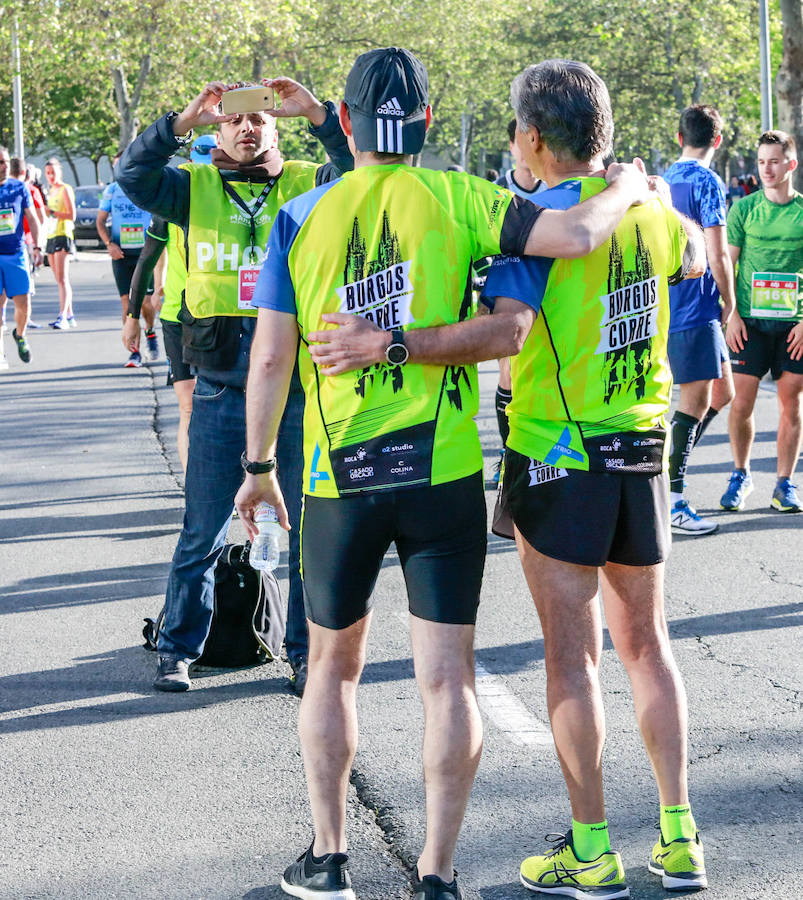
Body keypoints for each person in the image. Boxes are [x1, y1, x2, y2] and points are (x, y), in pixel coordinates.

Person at [235, 47, 656, 900]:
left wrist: (255, 468)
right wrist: (631, 185)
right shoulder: (463, 196)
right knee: (448, 677)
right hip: (445, 474)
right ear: (426, 124)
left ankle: (328, 858)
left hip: (336, 474)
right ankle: (436, 873)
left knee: (330, 668)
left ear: (344, 123)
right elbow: (575, 232)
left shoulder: (300, 214)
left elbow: (272, 357)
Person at [117, 76, 354, 696]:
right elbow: (132, 178)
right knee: (201, 529)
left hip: (299, 389)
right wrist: (178, 124)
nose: (248, 129)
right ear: (217, 131)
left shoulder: (308, 183)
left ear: (275, 129)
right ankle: (177, 649)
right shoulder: (188, 187)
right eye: (234, 122)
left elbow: (364, 170)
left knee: (306, 530)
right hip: (222, 387)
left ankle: (304, 654)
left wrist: (317, 112)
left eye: (261, 122)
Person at [662, 105, 736, 534]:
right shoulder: (708, 181)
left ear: (679, 137)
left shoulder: (664, 179)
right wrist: (732, 303)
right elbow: (717, 251)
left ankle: (667, 466)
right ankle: (671, 498)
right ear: (718, 141)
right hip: (697, 305)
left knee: (721, 394)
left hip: (671, 302)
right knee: (693, 402)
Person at [721, 130, 803, 513]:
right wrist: (732, 314)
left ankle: (784, 484)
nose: (766, 169)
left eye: (774, 161)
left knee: (791, 404)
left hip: (793, 326)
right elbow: (728, 264)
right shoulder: (744, 210)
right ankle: (741, 474)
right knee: (742, 403)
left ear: (791, 163)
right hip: (749, 322)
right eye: (761, 162)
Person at [127, 135, 216, 472]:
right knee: (189, 406)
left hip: (225, 315)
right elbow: (147, 261)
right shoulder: (172, 203)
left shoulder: (236, 199)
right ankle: (197, 489)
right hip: (179, 316)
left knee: (232, 405)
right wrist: (133, 316)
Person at [490, 119, 549, 483]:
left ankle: (540, 448)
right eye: (517, 141)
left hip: (546, 294)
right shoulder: (495, 191)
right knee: (510, 372)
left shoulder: (553, 189)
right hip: (509, 290)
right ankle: (508, 450)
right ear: (512, 147)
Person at [97, 155, 159, 367]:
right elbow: (100, 221)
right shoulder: (112, 190)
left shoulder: (145, 186)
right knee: (127, 304)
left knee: (145, 303)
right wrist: (109, 244)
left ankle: (150, 331)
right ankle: (134, 352)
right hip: (121, 255)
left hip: (145, 254)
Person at [0, 146, 43, 367]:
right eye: (0, 162)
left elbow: (33, 218)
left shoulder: (19, 188)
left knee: (23, 303)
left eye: (6, 161)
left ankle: (20, 334)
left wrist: (37, 247)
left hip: (16, 253)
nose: (5, 166)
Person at [43, 158, 76, 329]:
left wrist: (53, 212)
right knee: (58, 278)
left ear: (60, 172)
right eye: (48, 173)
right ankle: (69, 315)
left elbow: (72, 215)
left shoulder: (65, 189)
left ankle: (62, 315)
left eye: (53, 172)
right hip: (51, 234)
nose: (50, 176)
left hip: (63, 234)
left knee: (63, 278)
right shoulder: (51, 190)